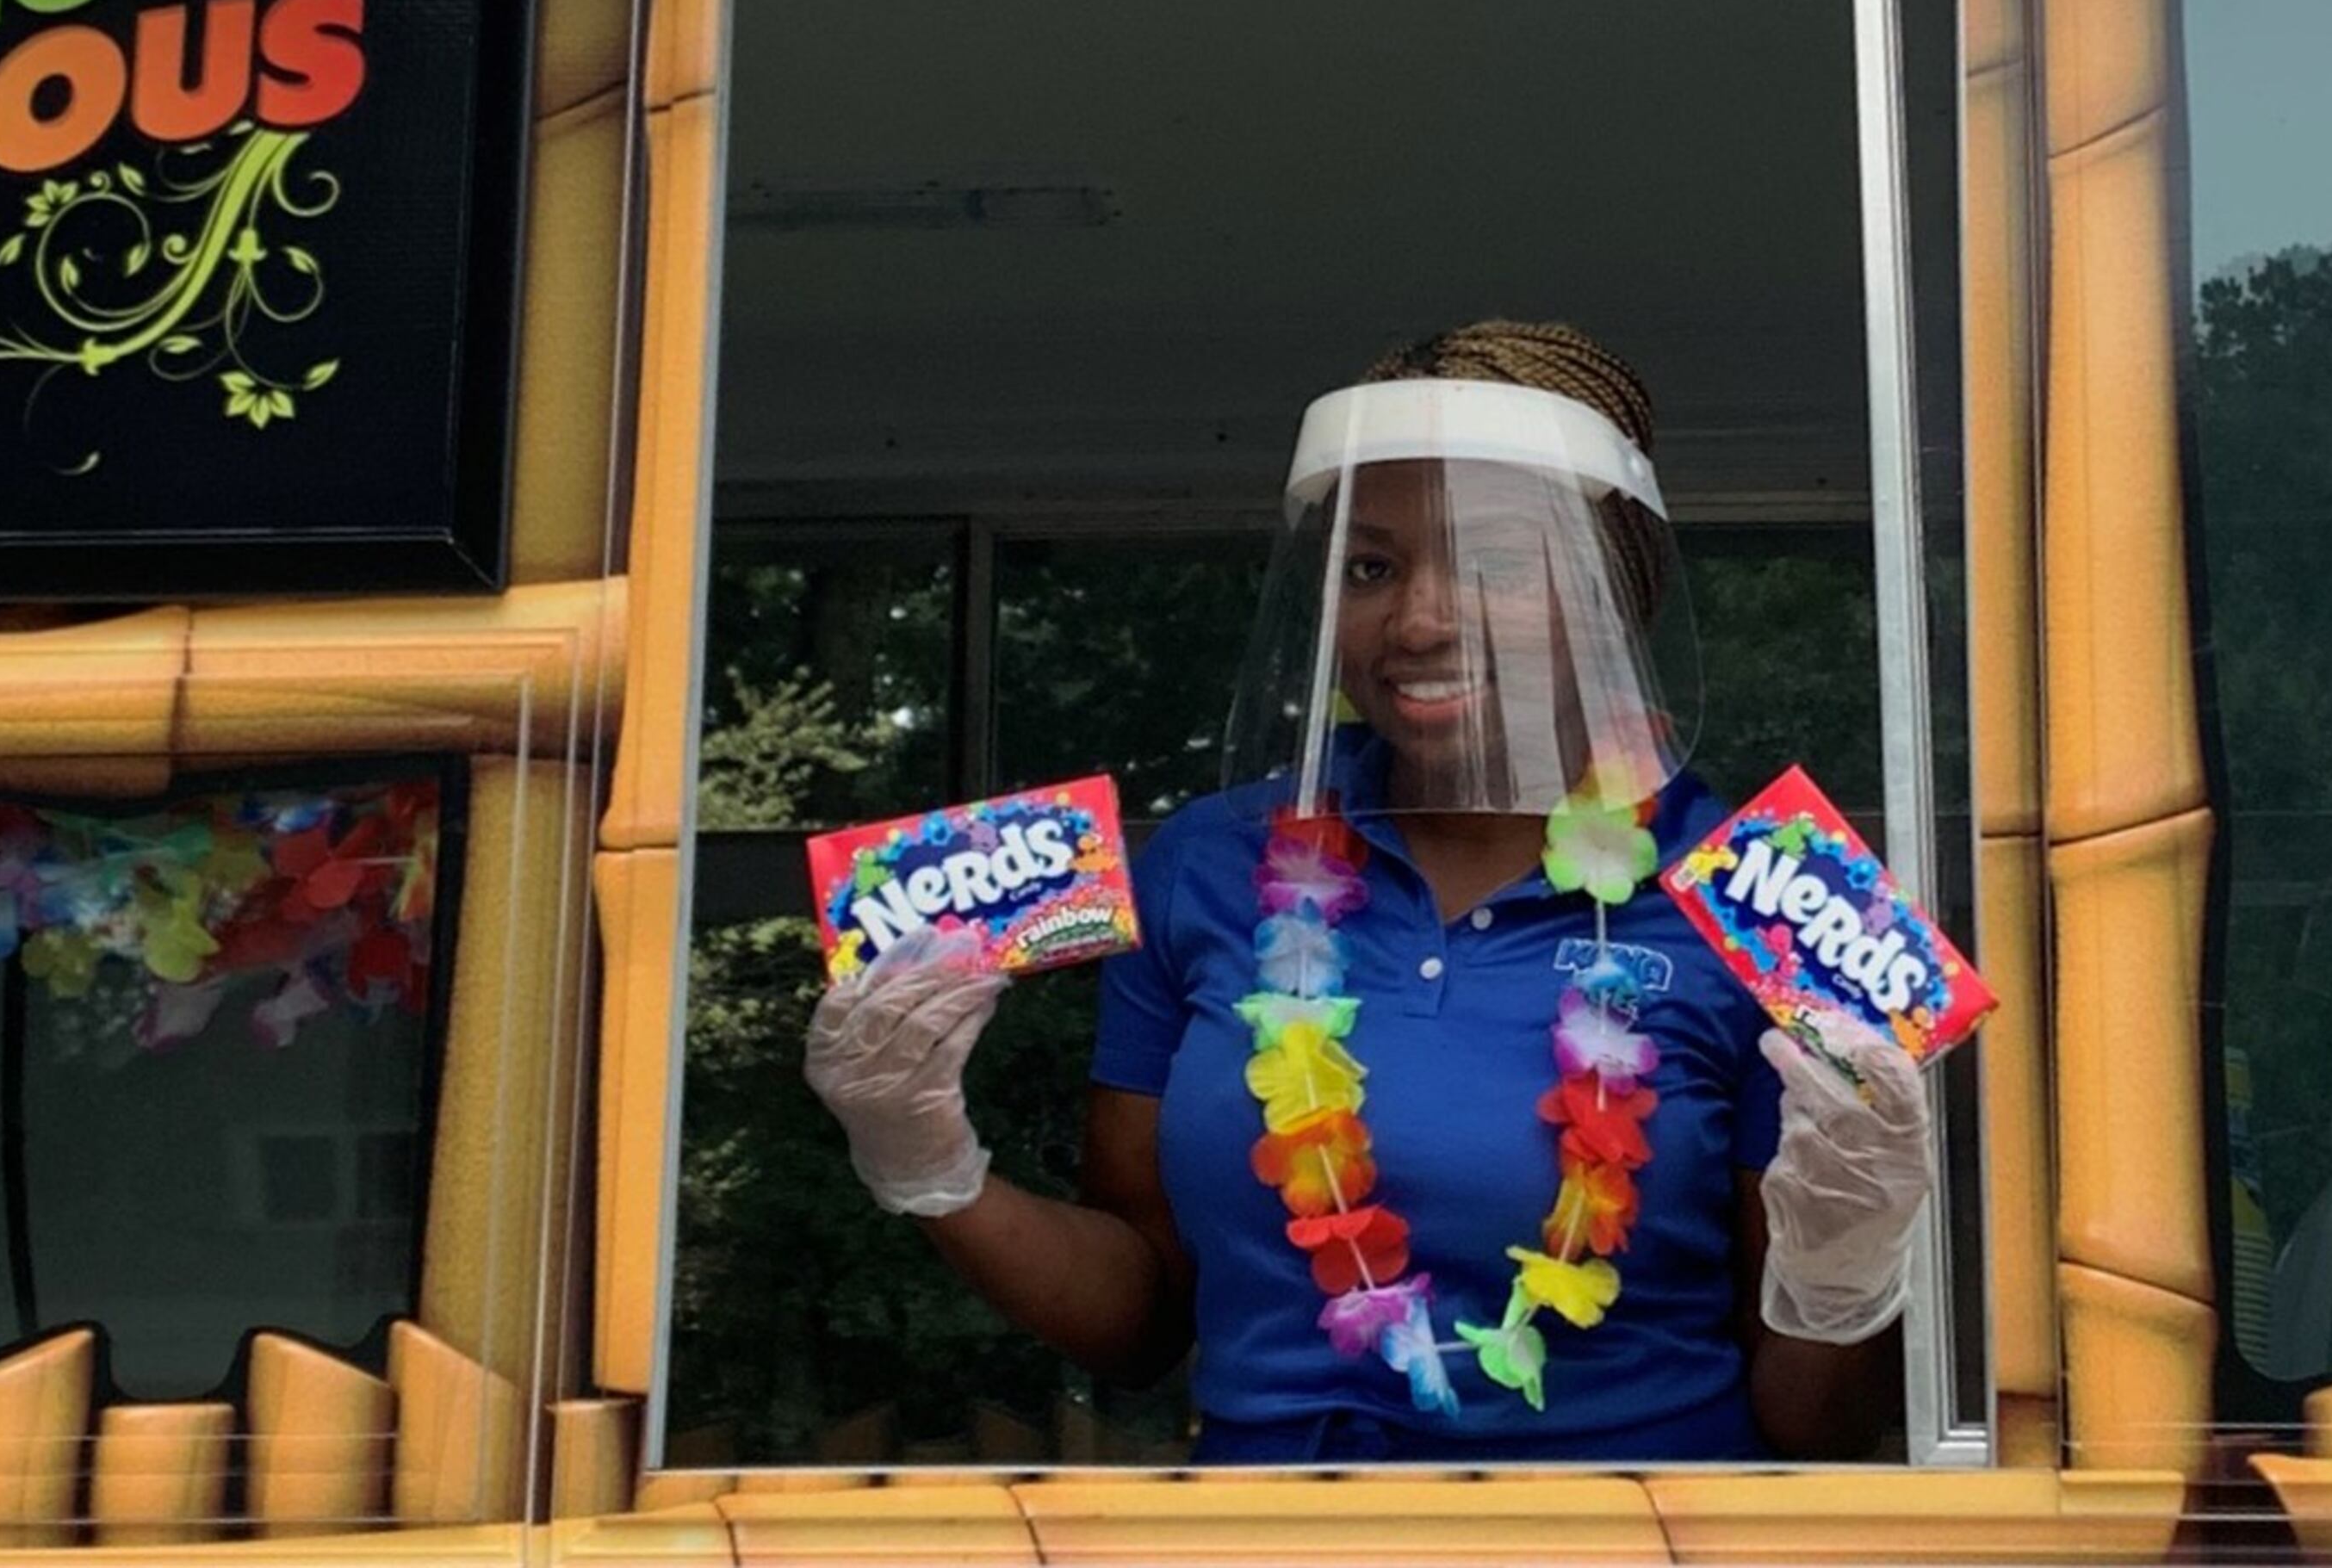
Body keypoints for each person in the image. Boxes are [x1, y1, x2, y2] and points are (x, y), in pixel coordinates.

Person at [803, 320, 1936, 1463]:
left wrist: (1842, 1278)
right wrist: (933, 1170)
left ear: (1613, 596)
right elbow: (1143, 1323)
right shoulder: (1209, 864)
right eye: (1370, 568)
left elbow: (1820, 1434)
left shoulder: (1762, 900)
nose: (1422, 621)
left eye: (1494, 561)